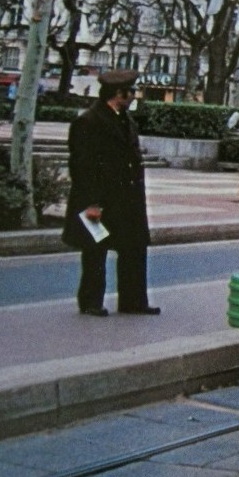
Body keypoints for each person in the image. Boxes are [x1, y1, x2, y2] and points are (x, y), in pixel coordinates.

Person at [61, 70, 159, 317]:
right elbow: (82, 166)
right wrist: (91, 202)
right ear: (118, 93)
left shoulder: (127, 120)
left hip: (127, 200)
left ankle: (133, 301)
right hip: (99, 200)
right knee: (95, 251)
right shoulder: (88, 122)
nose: (134, 95)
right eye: (131, 91)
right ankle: (91, 302)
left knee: (134, 249)